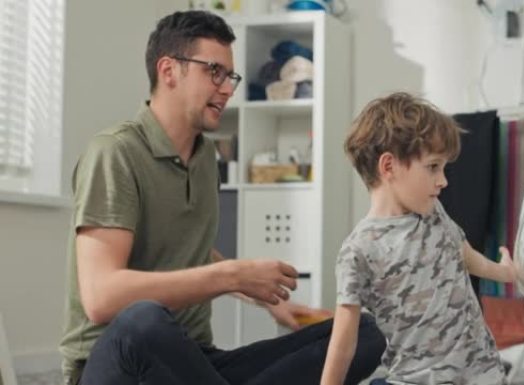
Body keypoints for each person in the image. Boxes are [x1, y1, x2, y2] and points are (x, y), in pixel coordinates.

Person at [59, 10, 385, 385]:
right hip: (121, 364)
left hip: (196, 363)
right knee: (142, 319)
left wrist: (269, 298)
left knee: (364, 332)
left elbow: (189, 247)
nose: (228, 88)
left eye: (230, 75)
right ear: (168, 71)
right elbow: (101, 297)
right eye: (214, 71)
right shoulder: (115, 153)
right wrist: (231, 275)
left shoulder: (204, 158)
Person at [320, 92, 518, 385]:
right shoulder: (359, 250)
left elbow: (462, 253)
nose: (444, 180)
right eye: (433, 167)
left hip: (483, 375)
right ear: (388, 167)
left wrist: (504, 272)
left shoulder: (434, 212)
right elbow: (343, 343)